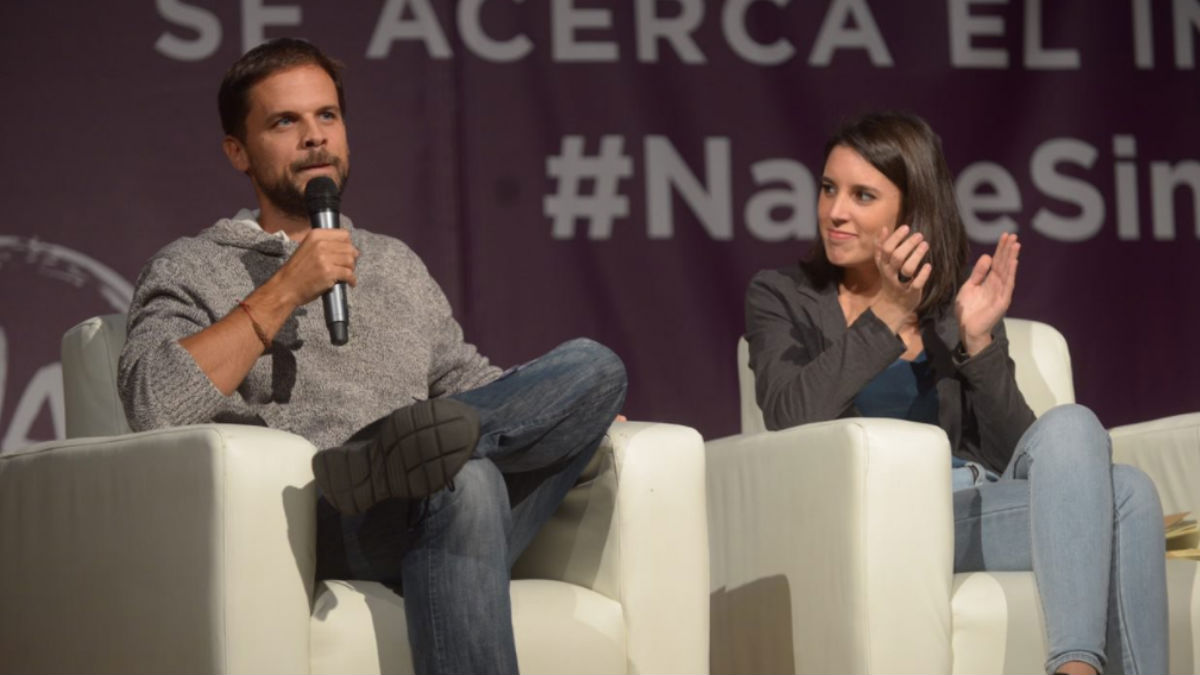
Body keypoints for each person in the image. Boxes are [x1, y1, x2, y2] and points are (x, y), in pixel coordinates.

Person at [117, 38, 626, 675]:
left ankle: (390, 454)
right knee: (463, 474)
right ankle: (384, 461)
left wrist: (561, 409)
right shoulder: (191, 264)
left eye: (326, 116)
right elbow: (153, 403)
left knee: (594, 369)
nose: (314, 138)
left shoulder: (394, 262)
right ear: (237, 151)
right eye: (285, 121)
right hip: (321, 519)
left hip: (445, 507)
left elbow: (463, 381)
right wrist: (283, 292)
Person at [745, 111, 1167, 675]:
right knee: (1126, 498)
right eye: (828, 189)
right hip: (883, 519)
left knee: (1088, 442)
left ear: (911, 213)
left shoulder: (948, 308)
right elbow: (789, 411)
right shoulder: (782, 295)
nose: (834, 212)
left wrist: (978, 342)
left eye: (862, 195)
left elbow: (1020, 458)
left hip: (971, 507)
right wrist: (888, 313)